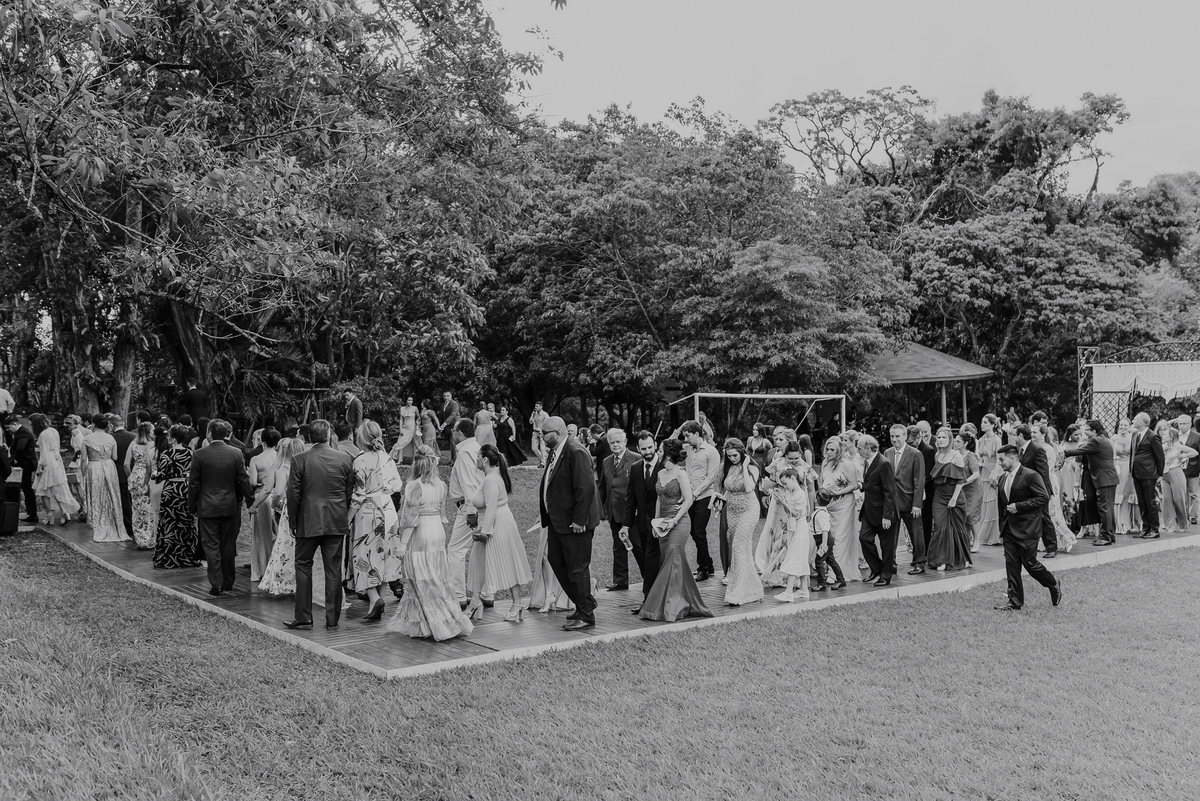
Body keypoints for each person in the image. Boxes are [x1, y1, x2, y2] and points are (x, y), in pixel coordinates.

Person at [386, 445, 475, 640]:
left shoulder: (414, 486)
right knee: (436, 577)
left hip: (421, 533)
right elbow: (442, 513)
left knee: (422, 579)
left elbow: (410, 518)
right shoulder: (441, 485)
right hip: (437, 531)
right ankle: (430, 622)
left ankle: (436, 623)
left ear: (415, 464)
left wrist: (402, 543)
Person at [284, 419, 354, 630]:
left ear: (309, 436)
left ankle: (304, 615)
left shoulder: (299, 459)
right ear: (328, 433)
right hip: (335, 518)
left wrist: (293, 522)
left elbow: (293, 494)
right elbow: (348, 492)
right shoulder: (345, 458)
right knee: (333, 569)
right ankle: (332, 618)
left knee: (303, 566)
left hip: (308, 520)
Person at [639, 439, 714, 620]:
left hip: (679, 521)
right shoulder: (660, 473)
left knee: (673, 555)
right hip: (663, 521)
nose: (657, 451)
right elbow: (658, 499)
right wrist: (656, 522)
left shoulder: (681, 474)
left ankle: (671, 606)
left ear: (667, 453)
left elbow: (688, 500)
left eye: (659, 449)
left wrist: (674, 520)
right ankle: (683, 600)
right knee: (669, 559)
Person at [539, 415, 600, 631]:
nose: (541, 436)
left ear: (557, 432)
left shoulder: (575, 451)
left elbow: (585, 488)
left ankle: (586, 614)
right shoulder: (556, 452)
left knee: (577, 568)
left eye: (544, 432)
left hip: (575, 523)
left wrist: (579, 520)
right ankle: (583, 602)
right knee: (556, 561)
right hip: (558, 521)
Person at [464, 444, 533, 622]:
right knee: (478, 562)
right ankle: (475, 601)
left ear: (484, 459)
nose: (476, 460)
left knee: (507, 561)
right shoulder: (492, 476)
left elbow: (492, 507)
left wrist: (485, 532)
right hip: (494, 520)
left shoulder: (490, 479)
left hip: (497, 524)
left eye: (478, 457)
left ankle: (517, 603)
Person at [188, 419, 253, 596]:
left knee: (210, 545)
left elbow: (193, 483)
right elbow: (243, 478)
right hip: (230, 505)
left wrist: (191, 505)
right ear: (226, 434)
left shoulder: (200, 454)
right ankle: (228, 580)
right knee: (228, 544)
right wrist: (250, 500)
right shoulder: (236, 453)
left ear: (209, 433)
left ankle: (216, 582)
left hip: (207, 506)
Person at [995, 444, 1061, 611]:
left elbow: (1043, 497)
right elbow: (1001, 505)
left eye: (1002, 460)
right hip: (1009, 528)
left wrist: (1019, 506)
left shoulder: (1031, 475)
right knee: (1012, 565)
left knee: (1030, 564)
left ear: (1013, 457)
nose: (1000, 463)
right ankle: (1014, 602)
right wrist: (1001, 528)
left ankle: (1053, 583)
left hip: (1028, 528)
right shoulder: (1002, 478)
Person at [349, 420, 404, 621]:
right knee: (385, 556)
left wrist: (347, 518)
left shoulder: (360, 461)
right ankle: (377, 602)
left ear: (361, 438)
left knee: (363, 555)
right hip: (389, 509)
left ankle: (373, 597)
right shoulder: (387, 458)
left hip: (369, 511)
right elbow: (398, 484)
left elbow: (358, 495)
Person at [258, 438, 309, 595]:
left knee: (285, 542)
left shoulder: (284, 470)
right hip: (305, 510)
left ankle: (284, 581)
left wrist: (275, 504)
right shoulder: (306, 467)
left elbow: (278, 492)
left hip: (289, 510)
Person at [716, 438, 763, 605]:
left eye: (735, 455)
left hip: (749, 508)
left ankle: (738, 592)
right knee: (742, 549)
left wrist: (743, 466)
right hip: (732, 510)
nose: (732, 459)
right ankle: (753, 589)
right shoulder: (727, 467)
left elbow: (750, 487)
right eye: (729, 456)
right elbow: (728, 490)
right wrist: (719, 500)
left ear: (742, 452)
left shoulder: (751, 466)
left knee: (737, 546)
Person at [1060, 419, 1120, 546]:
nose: (1084, 432)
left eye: (1087, 430)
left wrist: (1063, 453)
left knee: (1104, 508)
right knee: (1107, 508)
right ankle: (1109, 535)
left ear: (1094, 431)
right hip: (1108, 479)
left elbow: (1079, 451)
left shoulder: (1095, 441)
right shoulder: (1103, 439)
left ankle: (1106, 537)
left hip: (1104, 479)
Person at [445, 418, 483, 606]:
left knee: (455, 550)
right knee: (480, 548)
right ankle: (486, 593)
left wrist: (470, 510)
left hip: (469, 507)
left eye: (454, 431)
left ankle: (458, 595)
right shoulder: (476, 447)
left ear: (459, 433)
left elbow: (469, 483)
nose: (453, 434)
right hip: (477, 506)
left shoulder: (466, 451)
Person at [759, 468, 812, 601]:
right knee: (799, 557)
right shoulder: (791, 493)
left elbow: (797, 514)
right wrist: (781, 501)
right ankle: (804, 589)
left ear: (793, 479)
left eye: (785, 483)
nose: (784, 486)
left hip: (800, 528)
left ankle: (789, 592)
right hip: (793, 527)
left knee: (793, 557)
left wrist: (784, 502)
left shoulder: (800, 493)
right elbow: (789, 512)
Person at [624, 431, 663, 614]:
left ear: (655, 445)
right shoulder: (635, 468)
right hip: (641, 525)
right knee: (648, 562)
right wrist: (625, 525)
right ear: (638, 449)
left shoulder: (665, 467)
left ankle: (650, 600)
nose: (647, 451)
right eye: (643, 448)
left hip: (661, 525)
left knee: (654, 561)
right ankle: (651, 599)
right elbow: (630, 499)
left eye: (650, 447)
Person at [152, 425, 201, 567]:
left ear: (173, 438)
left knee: (169, 522)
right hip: (185, 489)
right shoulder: (191, 453)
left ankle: (168, 556)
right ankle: (187, 555)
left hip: (171, 490)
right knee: (185, 521)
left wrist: (157, 476)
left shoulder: (166, 454)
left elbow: (161, 475)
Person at [598, 428, 640, 591]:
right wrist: (599, 508)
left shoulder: (636, 458)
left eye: (618, 442)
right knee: (618, 546)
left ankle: (650, 579)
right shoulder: (606, 461)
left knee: (637, 546)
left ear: (624, 441)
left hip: (632, 512)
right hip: (614, 511)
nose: (615, 445)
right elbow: (602, 486)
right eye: (612, 442)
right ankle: (620, 580)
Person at [926, 427, 972, 571]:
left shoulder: (956, 456)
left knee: (957, 528)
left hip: (955, 497)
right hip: (939, 497)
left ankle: (961, 558)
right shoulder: (937, 456)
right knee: (940, 526)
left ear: (950, 440)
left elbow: (960, 480)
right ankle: (941, 559)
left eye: (944, 437)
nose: (940, 440)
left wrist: (953, 499)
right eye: (938, 437)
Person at [680, 421, 721, 581]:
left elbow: (711, 477)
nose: (685, 439)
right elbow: (667, 446)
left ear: (697, 433)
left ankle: (703, 568)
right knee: (692, 531)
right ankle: (709, 563)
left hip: (704, 497)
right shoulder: (688, 449)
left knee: (698, 531)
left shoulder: (712, 452)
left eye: (688, 435)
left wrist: (696, 493)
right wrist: (676, 433)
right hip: (689, 497)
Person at [883, 423, 926, 572]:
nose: (894, 439)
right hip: (892, 502)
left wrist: (917, 504)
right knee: (891, 536)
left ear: (905, 436)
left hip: (909, 501)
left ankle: (919, 562)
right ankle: (891, 564)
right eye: (892, 436)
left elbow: (919, 481)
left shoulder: (915, 454)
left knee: (916, 533)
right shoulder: (887, 453)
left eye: (897, 436)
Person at [819, 436, 862, 580]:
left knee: (840, 538)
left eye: (833, 450)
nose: (829, 452)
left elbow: (854, 484)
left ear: (839, 451)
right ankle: (828, 568)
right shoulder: (825, 463)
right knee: (829, 537)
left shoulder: (846, 464)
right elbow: (822, 482)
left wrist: (839, 492)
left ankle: (834, 574)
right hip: (829, 505)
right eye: (828, 449)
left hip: (844, 504)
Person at [857, 434, 898, 587]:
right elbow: (873, 484)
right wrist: (862, 486)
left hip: (883, 512)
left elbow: (890, 491)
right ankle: (877, 569)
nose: (858, 451)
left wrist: (887, 516)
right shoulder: (868, 462)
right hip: (869, 510)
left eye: (860, 448)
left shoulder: (883, 463)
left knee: (886, 545)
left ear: (868, 448)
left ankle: (886, 575)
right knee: (864, 538)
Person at [80, 414, 127, 542]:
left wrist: (83, 472)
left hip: (94, 467)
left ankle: (98, 522)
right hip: (109, 466)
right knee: (111, 496)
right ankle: (113, 522)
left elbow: (84, 458)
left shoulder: (87, 438)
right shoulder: (111, 438)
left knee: (97, 496)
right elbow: (115, 457)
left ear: (93, 424)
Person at [1014, 424, 1056, 557]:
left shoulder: (1037, 449)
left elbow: (1043, 473)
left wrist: (1042, 494)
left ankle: (1051, 547)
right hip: (1029, 491)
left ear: (1020, 435)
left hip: (1040, 491)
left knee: (1044, 517)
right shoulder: (1022, 449)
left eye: (1014, 435)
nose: (1013, 438)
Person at [246, 428, 282, 582]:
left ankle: (260, 570)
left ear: (262, 441)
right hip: (278, 497)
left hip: (261, 498)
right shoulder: (280, 458)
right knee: (278, 534)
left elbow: (253, 482)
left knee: (261, 535)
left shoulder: (256, 459)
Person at [27, 414, 76, 526]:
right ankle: (65, 512)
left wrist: (40, 467)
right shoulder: (53, 430)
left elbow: (44, 453)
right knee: (57, 488)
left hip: (48, 462)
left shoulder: (43, 435)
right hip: (57, 461)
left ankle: (49, 516)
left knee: (43, 491)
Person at [1128, 412, 1165, 538]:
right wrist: (1130, 469)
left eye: (1135, 419)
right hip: (1136, 473)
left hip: (1149, 474)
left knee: (1150, 502)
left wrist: (1160, 474)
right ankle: (1145, 528)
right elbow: (1133, 453)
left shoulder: (1153, 436)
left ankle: (1154, 529)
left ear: (1142, 422)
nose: (1133, 420)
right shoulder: (1134, 434)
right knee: (1141, 502)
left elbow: (1160, 456)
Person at [122, 421, 156, 548]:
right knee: (149, 508)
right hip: (149, 476)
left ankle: (140, 539)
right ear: (148, 432)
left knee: (136, 509)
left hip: (136, 476)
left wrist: (131, 475)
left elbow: (126, 464)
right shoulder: (153, 445)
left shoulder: (133, 444)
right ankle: (150, 538)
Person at [1157, 425, 1196, 534]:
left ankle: (1182, 524)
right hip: (1165, 474)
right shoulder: (1163, 446)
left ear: (1172, 436)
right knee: (1167, 500)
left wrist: (1182, 457)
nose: (1163, 436)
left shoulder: (1178, 446)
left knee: (1178, 500)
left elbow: (1194, 452)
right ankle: (1170, 525)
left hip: (1176, 473)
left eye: (1166, 435)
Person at [107, 414, 136, 538]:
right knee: (133, 500)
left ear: (111, 425)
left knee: (124, 501)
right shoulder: (134, 436)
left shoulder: (110, 438)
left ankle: (128, 525)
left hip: (118, 472)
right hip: (134, 471)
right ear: (123, 424)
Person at [4, 415, 38, 523]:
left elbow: (20, 449)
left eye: (8, 427)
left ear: (15, 424)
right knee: (25, 487)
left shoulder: (23, 433)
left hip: (26, 464)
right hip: (24, 463)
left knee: (27, 488)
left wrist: (10, 461)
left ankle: (33, 514)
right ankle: (31, 513)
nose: (7, 430)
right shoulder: (19, 433)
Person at [976, 414, 1003, 547]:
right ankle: (985, 536)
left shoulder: (997, 440)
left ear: (993, 425)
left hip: (994, 473)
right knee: (984, 504)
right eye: (982, 422)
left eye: (986, 422)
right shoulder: (981, 440)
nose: (983, 424)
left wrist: (995, 474)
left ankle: (993, 536)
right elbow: (979, 456)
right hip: (983, 474)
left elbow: (999, 459)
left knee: (993, 503)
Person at [1112, 418, 1140, 535]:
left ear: (1129, 426)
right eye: (1121, 424)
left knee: (1130, 494)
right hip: (1118, 467)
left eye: (1125, 425)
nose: (1123, 427)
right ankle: (1118, 524)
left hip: (1130, 466)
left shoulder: (1133, 437)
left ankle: (1130, 523)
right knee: (1119, 493)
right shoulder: (1113, 438)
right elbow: (1112, 454)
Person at [955, 431, 983, 546]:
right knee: (964, 514)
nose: (955, 443)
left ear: (965, 443)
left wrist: (964, 481)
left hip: (973, 488)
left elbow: (976, 473)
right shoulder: (955, 455)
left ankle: (976, 540)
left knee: (971, 514)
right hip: (962, 489)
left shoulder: (970, 456)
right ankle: (967, 540)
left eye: (958, 441)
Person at [915, 420, 936, 556]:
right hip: (913, 491)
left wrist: (918, 486)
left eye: (925, 432)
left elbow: (929, 474)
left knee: (926, 521)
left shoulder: (929, 449)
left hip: (926, 490)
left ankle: (926, 550)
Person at [1181, 414, 1200, 526]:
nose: (1182, 426)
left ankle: (1193, 515)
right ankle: (1182, 513)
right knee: (1181, 493)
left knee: (1193, 493)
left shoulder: (1197, 436)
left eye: (1184, 423)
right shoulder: (1175, 436)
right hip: (1178, 469)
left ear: (1190, 424)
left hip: (1193, 468)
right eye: (1180, 424)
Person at [390, 396, 419, 463]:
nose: (410, 402)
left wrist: (417, 423)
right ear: (406, 401)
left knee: (413, 442)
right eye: (409, 400)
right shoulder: (402, 409)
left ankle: (414, 460)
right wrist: (400, 429)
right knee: (400, 442)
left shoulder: (415, 408)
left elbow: (418, 417)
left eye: (411, 400)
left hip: (412, 426)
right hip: (405, 426)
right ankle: (399, 460)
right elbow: (401, 419)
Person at [439, 391, 461, 463]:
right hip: (447, 426)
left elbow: (452, 415)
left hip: (454, 425)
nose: (446, 397)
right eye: (444, 396)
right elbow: (442, 416)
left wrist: (444, 424)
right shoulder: (442, 405)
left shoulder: (454, 404)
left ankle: (455, 461)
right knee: (450, 443)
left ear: (451, 396)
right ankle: (452, 459)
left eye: (448, 396)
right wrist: (441, 426)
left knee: (453, 443)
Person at [529, 401, 548, 468]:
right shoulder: (534, 413)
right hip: (535, 432)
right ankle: (543, 459)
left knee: (542, 448)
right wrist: (533, 417)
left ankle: (543, 463)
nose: (535, 408)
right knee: (534, 448)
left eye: (537, 406)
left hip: (541, 432)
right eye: (535, 406)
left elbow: (547, 423)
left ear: (541, 407)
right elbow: (531, 422)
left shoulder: (545, 414)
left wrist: (543, 431)